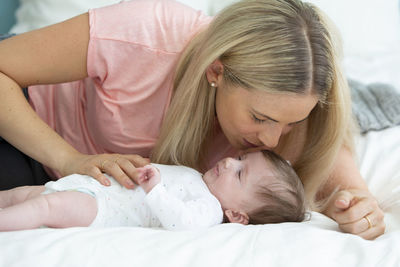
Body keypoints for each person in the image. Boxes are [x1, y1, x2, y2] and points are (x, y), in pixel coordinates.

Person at [0, 0, 384, 239]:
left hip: (79, 188)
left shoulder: (284, 120)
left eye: (290, 123)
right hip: (29, 123)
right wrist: (69, 160)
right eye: (260, 117)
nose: (272, 140)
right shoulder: (147, 31)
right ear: (216, 72)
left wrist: (358, 204)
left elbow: (331, 155)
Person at [0, 150, 306, 231]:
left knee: (45, 207)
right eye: (239, 159)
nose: (228, 162)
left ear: (238, 215)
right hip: (91, 187)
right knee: (24, 195)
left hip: (102, 209)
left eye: (240, 174)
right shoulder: (197, 177)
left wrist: (156, 189)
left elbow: (181, 223)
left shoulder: (209, 209)